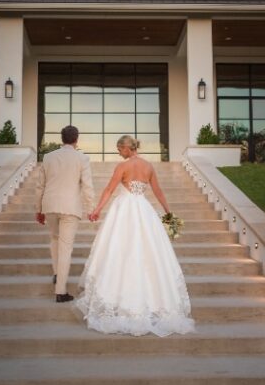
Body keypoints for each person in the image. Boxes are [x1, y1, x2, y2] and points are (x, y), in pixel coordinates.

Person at [74, 135, 195, 336]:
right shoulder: (148, 167)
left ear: (127, 148)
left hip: (125, 210)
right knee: (148, 253)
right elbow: (158, 192)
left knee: (121, 250)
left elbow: (109, 190)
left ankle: (120, 300)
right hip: (143, 209)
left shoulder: (123, 167)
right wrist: (168, 214)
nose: (118, 153)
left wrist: (97, 210)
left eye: (119, 149)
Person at [35, 125, 97, 303]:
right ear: (76, 139)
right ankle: (60, 291)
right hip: (70, 207)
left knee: (54, 239)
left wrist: (38, 209)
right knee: (65, 248)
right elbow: (87, 186)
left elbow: (40, 186)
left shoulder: (48, 157)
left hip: (50, 205)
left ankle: (57, 273)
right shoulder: (82, 158)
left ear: (62, 139)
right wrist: (90, 209)